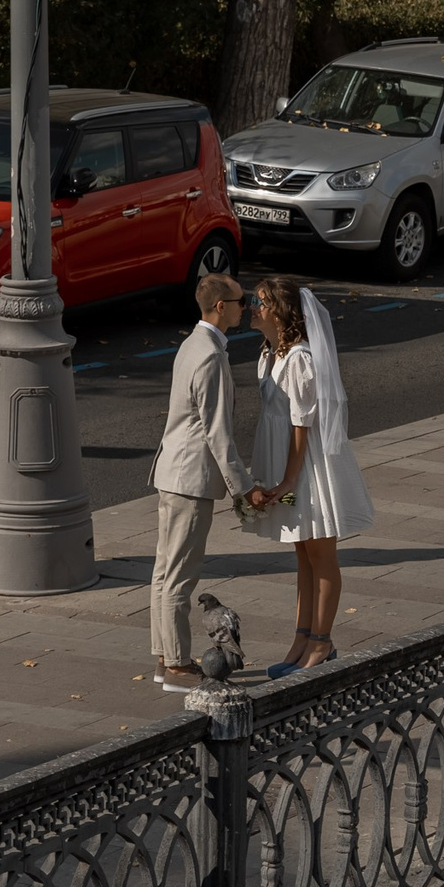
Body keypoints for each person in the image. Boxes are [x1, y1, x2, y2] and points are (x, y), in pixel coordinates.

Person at [243, 277, 375, 679]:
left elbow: (302, 425)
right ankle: (301, 639)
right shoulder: (269, 354)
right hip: (284, 473)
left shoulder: (299, 358)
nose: (252, 307)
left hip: (308, 475)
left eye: (260, 302)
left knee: (320, 554)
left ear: (281, 312)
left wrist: (286, 482)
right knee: (302, 551)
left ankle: (322, 642)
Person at [147, 271, 253, 691]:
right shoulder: (210, 355)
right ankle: (176, 666)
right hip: (190, 479)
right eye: (241, 301)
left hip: (173, 472)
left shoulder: (193, 343)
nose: (246, 308)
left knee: (164, 572)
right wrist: (243, 488)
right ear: (221, 307)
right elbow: (217, 431)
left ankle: (165, 657)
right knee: (179, 576)